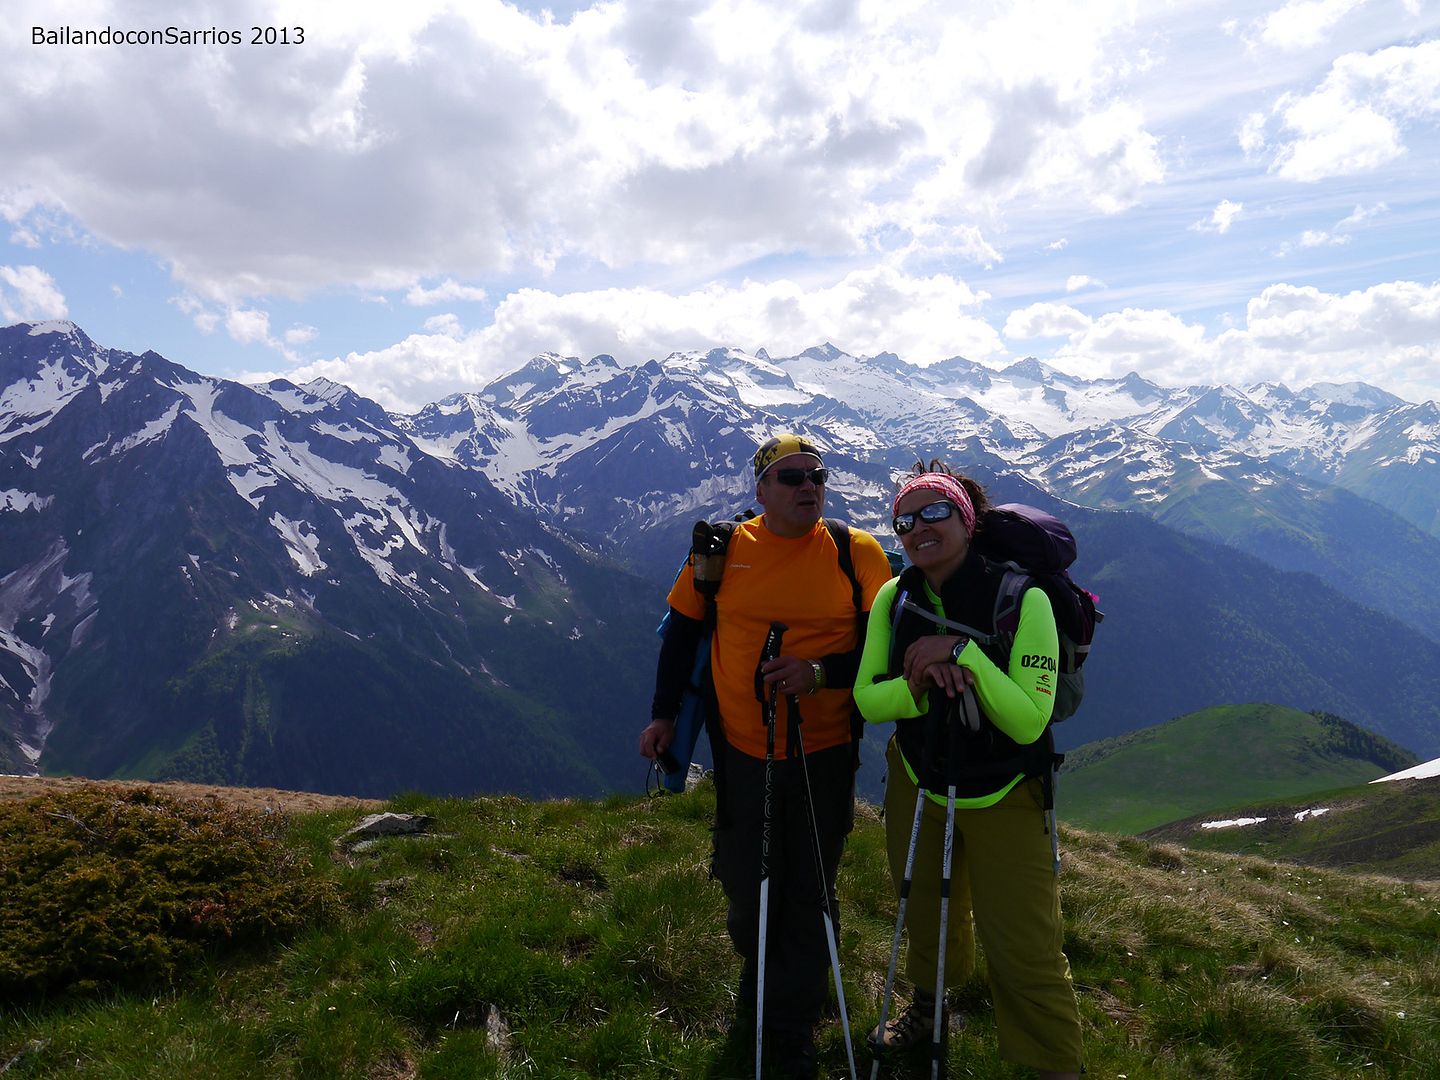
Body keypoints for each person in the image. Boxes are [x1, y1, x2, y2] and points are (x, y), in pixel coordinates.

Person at [639, 433, 893, 1079]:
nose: (809, 486)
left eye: (817, 476)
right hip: (743, 749)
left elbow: (883, 649)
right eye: (791, 477)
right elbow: (683, 634)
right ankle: (761, 983)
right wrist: (663, 716)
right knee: (748, 879)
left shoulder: (855, 552)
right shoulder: (723, 551)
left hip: (823, 750)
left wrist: (820, 673)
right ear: (761, 491)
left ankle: (790, 1024)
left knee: (809, 886)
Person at [854, 461, 1082, 1079]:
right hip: (919, 776)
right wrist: (920, 685)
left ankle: (1054, 1064)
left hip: (1007, 789)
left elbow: (1029, 720)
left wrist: (963, 653)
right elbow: (868, 698)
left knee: (1024, 943)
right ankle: (929, 1007)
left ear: (967, 519)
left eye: (935, 512)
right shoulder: (895, 597)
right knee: (925, 908)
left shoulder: (1024, 600)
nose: (918, 529)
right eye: (905, 521)